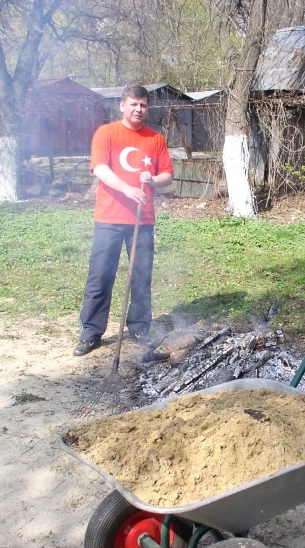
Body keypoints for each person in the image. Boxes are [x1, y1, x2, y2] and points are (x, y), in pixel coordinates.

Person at [74, 85, 174, 357]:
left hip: (143, 221)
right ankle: (91, 332)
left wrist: (152, 180)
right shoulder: (106, 133)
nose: (138, 109)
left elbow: (167, 174)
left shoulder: (155, 139)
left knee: (141, 276)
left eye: (143, 105)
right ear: (122, 105)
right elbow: (101, 169)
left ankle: (140, 327)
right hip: (109, 217)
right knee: (100, 276)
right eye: (133, 104)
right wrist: (126, 188)